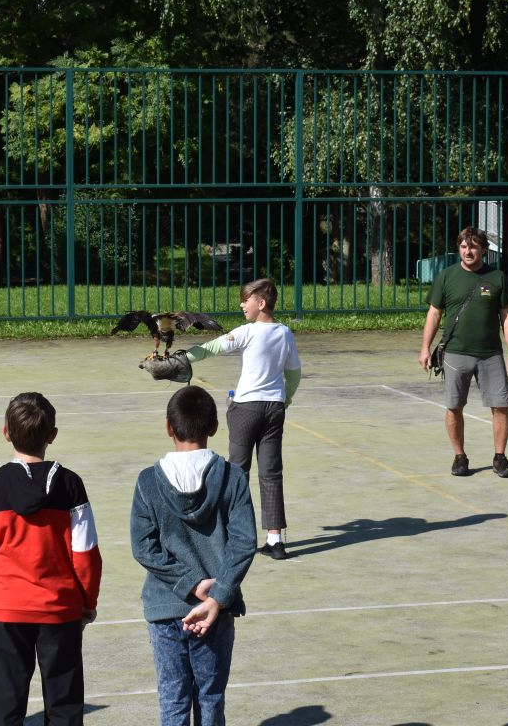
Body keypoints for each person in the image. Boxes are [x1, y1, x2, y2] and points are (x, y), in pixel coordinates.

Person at [0, 392, 102, 726]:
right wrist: (86, 603)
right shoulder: (71, 486)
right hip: (59, 610)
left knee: (6, 710)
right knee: (65, 709)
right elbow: (86, 556)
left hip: (4, 611)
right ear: (52, 435)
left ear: (6, 433)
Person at [130, 385, 256, 726]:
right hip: (216, 609)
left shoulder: (148, 480)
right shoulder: (232, 476)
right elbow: (244, 542)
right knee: (210, 697)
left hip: (164, 607)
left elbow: (144, 547)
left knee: (172, 699)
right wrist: (217, 595)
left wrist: (189, 583)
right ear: (214, 427)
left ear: (168, 427)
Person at [183, 278, 301, 559]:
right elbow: (294, 374)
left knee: (237, 473)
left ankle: (233, 538)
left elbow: (212, 347)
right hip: (274, 409)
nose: (241, 304)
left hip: (246, 409)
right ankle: (275, 541)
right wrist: (285, 398)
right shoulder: (285, 333)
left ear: (261, 303)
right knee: (271, 473)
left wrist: (182, 358)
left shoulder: (247, 332)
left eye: (246, 300)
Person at [418, 226, 508, 478]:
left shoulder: (497, 277)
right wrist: (424, 348)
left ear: (484, 249)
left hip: (490, 354)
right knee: (454, 407)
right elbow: (434, 314)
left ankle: (500, 458)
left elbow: (507, 317)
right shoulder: (446, 276)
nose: (468, 251)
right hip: (456, 353)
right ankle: (459, 457)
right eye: (464, 246)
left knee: (500, 405)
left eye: (473, 246)